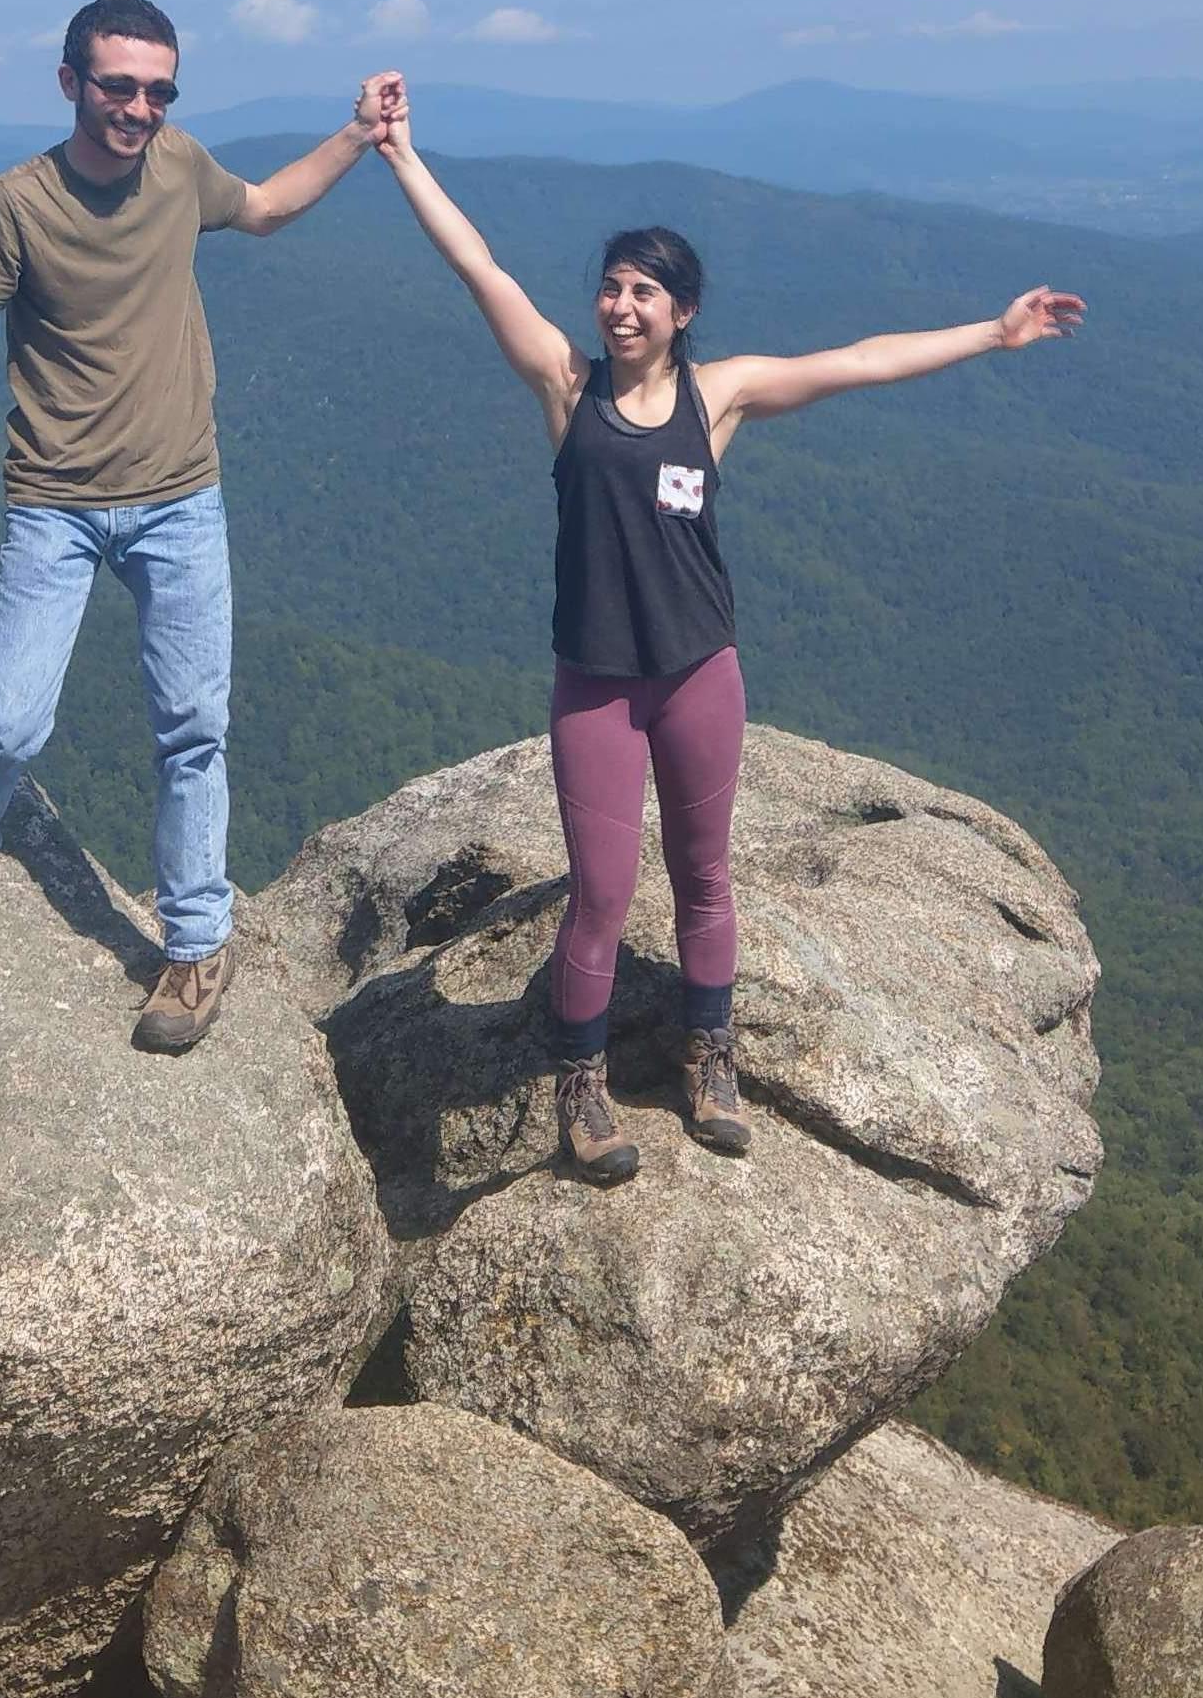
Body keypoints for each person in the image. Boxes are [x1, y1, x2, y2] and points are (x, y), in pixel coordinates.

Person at [372, 88, 1084, 1180]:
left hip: (700, 674)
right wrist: (403, 157)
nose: (619, 307)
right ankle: (582, 1084)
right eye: (610, 288)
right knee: (602, 891)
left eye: (642, 292)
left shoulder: (722, 396)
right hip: (597, 686)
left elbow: (860, 361)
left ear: (683, 309)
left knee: (706, 877)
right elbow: (482, 270)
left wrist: (993, 334)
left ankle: (712, 1057)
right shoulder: (569, 390)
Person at [0, 0, 402, 1054]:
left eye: (158, 90)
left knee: (192, 729)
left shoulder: (181, 167)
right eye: (119, 86)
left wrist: (358, 134)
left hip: (180, 497)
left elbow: (268, 207)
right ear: (69, 83)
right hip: (52, 503)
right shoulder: (13, 204)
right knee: (9, 719)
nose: (139, 108)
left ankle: (196, 946)